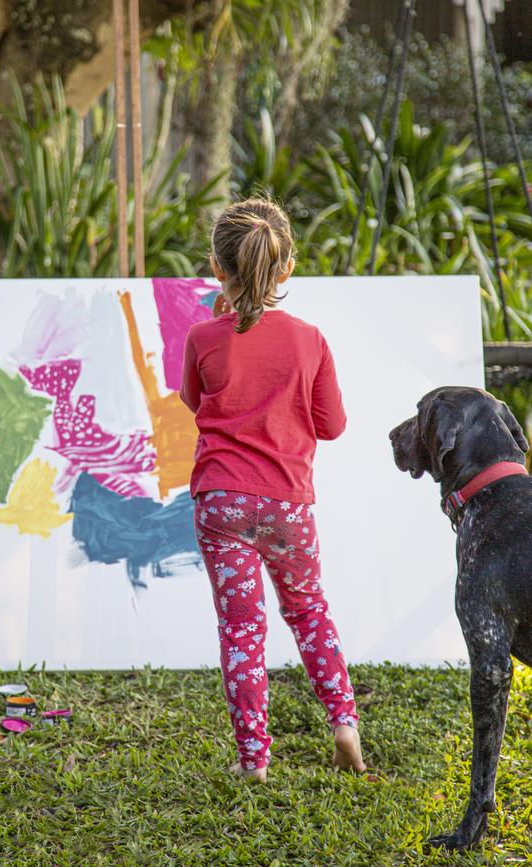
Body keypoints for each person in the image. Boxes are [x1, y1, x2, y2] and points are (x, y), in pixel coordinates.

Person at [180, 197, 366, 782]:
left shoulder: (203, 337)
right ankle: (343, 724)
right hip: (289, 504)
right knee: (308, 610)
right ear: (286, 267)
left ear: (217, 266)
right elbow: (332, 425)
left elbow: (195, 403)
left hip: (223, 502)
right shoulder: (309, 339)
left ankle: (255, 762)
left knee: (241, 628)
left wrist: (222, 328)